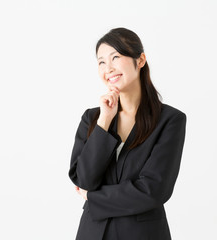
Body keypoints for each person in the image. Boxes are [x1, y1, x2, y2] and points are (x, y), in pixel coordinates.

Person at [68, 27, 186, 240]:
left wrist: (93, 198)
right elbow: (83, 180)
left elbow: (153, 190)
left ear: (140, 60)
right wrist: (104, 121)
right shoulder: (92, 118)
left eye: (116, 57)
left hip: (142, 234)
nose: (108, 68)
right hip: (93, 233)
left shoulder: (169, 120)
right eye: (101, 61)